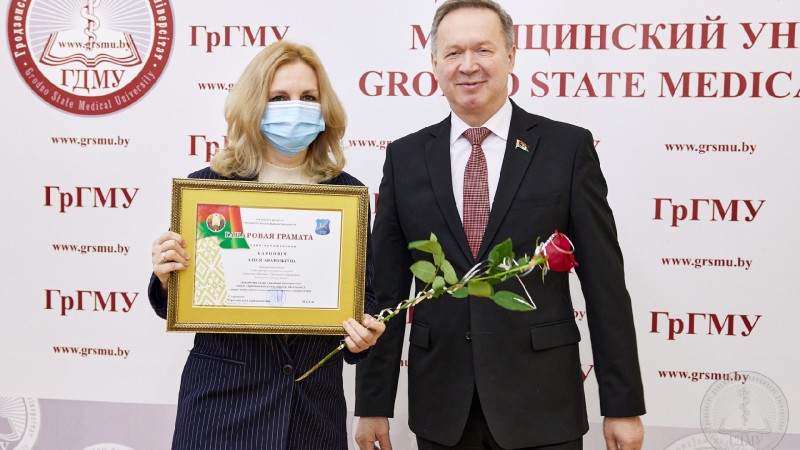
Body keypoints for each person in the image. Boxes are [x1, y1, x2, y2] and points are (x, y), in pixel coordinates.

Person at [354, 1, 645, 449]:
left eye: (483, 49)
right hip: (442, 407)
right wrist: (373, 403)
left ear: (511, 56)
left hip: (543, 405)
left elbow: (605, 286)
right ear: (434, 63)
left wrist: (622, 405)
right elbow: (385, 292)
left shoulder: (566, 148)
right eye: (453, 52)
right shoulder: (405, 157)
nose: (468, 65)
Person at [149, 41, 386, 450]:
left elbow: (361, 299)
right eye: (279, 97)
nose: (295, 107)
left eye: (308, 97)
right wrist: (168, 277)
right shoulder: (209, 188)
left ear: (324, 108)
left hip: (312, 415)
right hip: (220, 410)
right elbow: (180, 301)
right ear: (254, 104)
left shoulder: (347, 196)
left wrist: (361, 335)